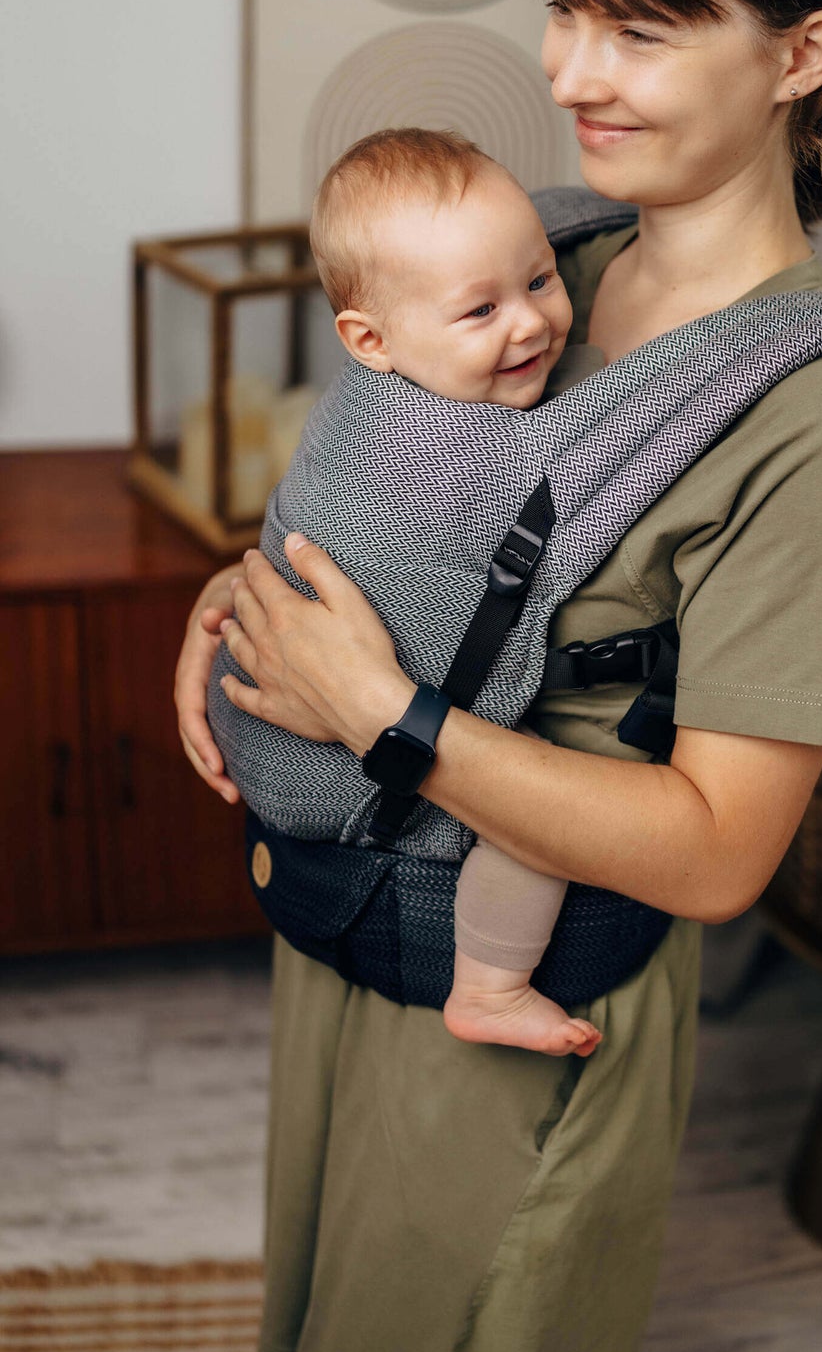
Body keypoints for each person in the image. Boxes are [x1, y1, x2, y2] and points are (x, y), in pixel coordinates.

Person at [175, 0, 822, 1352]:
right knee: (353, 1335)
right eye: (566, 12)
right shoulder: (549, 263)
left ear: (801, 53)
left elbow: (716, 854)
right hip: (364, 912)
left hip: (520, 990)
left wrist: (375, 711)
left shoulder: (820, 419)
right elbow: (395, 507)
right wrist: (245, 601)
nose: (569, 71)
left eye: (640, 29)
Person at [213, 123, 607, 1059]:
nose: (530, 323)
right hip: (317, 764)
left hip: (258, 709)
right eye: (481, 310)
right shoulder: (431, 459)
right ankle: (491, 985)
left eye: (541, 279)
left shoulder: (368, 392)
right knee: (538, 814)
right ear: (371, 340)